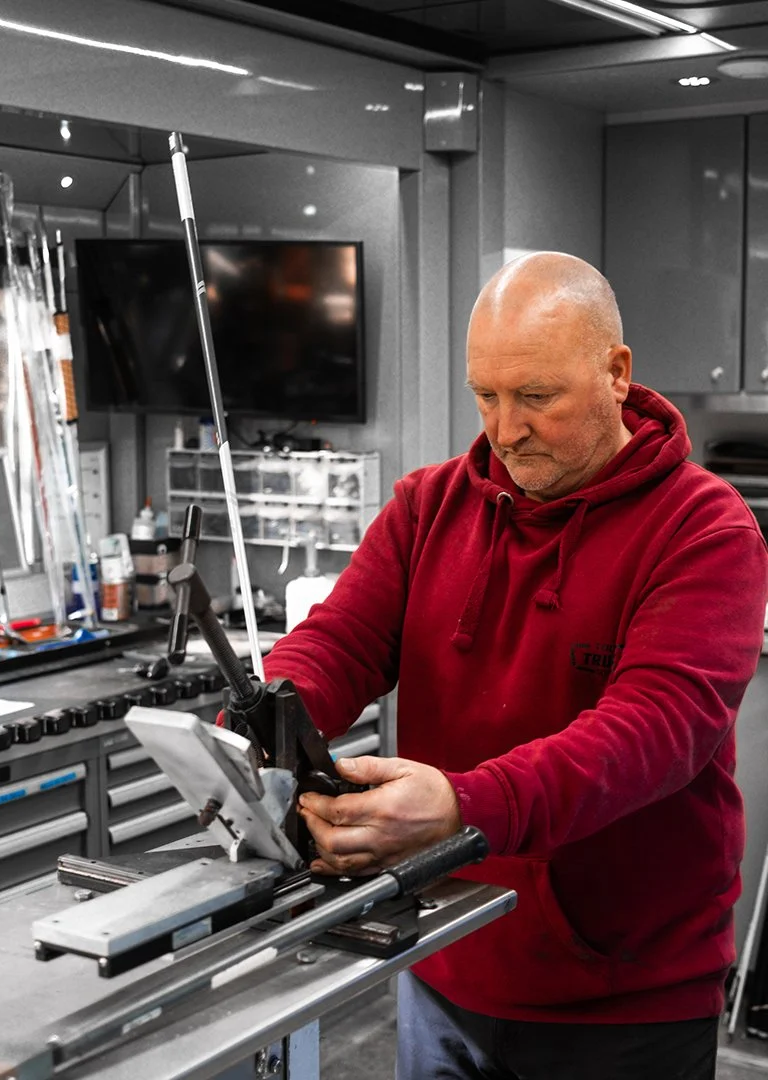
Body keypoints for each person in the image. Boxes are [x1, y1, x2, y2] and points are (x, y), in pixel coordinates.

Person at [265, 252, 768, 1079]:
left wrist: (465, 805)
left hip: (623, 997)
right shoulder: (426, 508)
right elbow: (340, 640)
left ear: (615, 374)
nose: (505, 429)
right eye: (486, 397)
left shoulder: (704, 531)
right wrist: (266, 719)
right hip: (442, 953)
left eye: (536, 398)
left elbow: (650, 735)